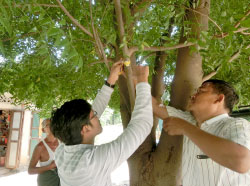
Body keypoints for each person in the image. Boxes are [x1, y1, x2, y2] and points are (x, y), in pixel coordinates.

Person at [50, 62, 153, 186]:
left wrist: (111, 80)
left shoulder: (62, 152)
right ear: (85, 128)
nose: (97, 116)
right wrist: (142, 80)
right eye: (94, 116)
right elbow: (142, 125)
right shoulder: (92, 162)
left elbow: (86, 117)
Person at [153, 79, 250, 186]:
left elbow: (242, 161)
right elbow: (155, 107)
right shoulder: (189, 121)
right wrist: (140, 81)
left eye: (201, 91)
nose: (192, 96)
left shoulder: (236, 124)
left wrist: (185, 127)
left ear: (219, 98)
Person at [28, 119, 60, 186]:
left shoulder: (62, 143)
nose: (52, 127)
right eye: (48, 125)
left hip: (61, 179)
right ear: (43, 130)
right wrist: (50, 166)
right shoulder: (40, 147)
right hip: (46, 180)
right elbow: (30, 170)